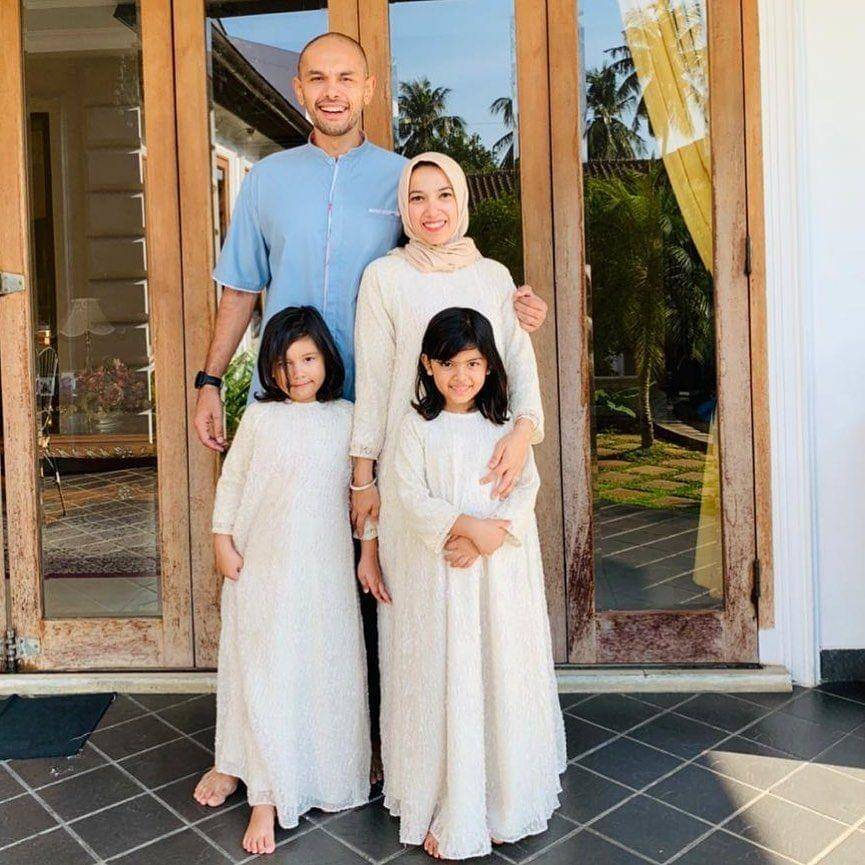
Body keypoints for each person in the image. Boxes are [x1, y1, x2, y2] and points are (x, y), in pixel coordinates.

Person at [193, 31, 547, 803]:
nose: (331, 91)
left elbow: (449, 266)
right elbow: (240, 289)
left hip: (383, 416)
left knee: (375, 582)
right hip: (286, 407)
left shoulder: (402, 179)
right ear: (299, 89)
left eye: (345, 78)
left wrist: (515, 308)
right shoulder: (267, 180)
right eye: (317, 78)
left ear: (368, 87)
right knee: (263, 580)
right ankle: (244, 748)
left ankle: (372, 743)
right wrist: (209, 378)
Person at [350, 152, 550, 821]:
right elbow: (375, 383)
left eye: (443, 195)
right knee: (424, 645)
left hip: (490, 471)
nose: (431, 209)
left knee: (492, 643)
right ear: (402, 209)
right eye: (417, 197)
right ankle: (433, 790)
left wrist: (523, 433)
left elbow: (516, 362)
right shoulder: (384, 277)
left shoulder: (493, 275)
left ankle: (497, 786)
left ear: (462, 201)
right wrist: (363, 478)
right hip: (416, 482)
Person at [388, 307, 565, 859]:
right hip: (444, 576)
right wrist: (466, 527)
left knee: (495, 673)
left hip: (497, 579)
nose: (460, 376)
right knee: (451, 678)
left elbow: (525, 486)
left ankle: (501, 802)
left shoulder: (505, 427)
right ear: (427, 366)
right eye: (448, 365)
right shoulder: (416, 428)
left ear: (489, 365)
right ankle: (452, 799)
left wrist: (491, 538)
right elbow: (409, 494)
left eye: (471, 363)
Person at [208, 306, 379, 855]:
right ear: (269, 368)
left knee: (325, 670)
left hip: (324, 576)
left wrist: (368, 553)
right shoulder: (261, 418)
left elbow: (365, 495)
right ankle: (265, 790)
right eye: (284, 363)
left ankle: (329, 769)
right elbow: (233, 481)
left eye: (308, 359)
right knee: (266, 670)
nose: (297, 372)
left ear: (327, 358)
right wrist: (222, 539)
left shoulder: (348, 419)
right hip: (264, 570)